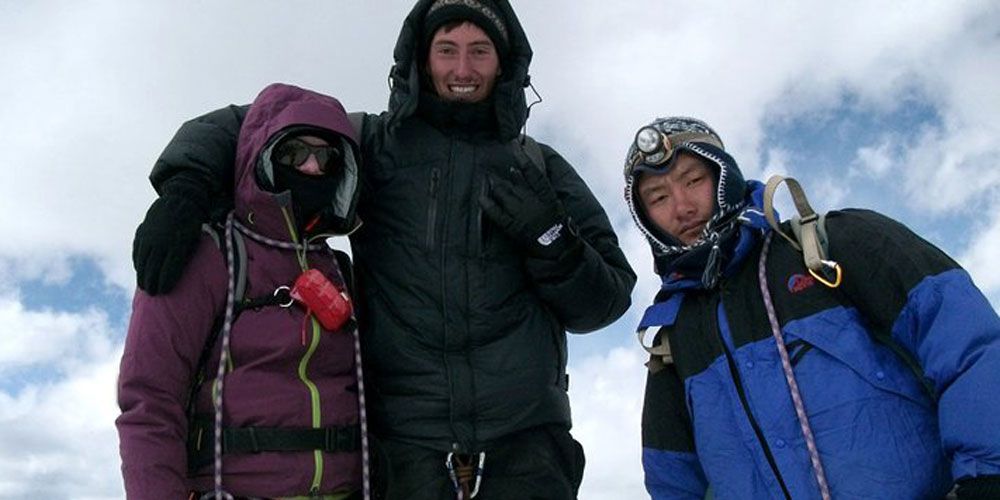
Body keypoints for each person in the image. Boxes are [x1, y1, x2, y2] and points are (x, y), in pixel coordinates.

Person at [130, 1, 637, 498]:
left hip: (528, 450)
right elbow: (258, 123)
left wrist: (550, 236)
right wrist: (187, 187)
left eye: (480, 51)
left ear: (505, 62)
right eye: (447, 49)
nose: (463, 68)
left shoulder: (539, 167)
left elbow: (607, 301)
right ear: (421, 58)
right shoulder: (372, 145)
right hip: (405, 453)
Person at [624, 116, 1000, 499]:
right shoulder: (673, 340)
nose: (682, 207)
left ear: (725, 177)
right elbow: (671, 477)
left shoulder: (837, 244)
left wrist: (988, 477)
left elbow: (970, 346)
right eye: (658, 197)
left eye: (693, 180)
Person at [117, 83, 368, 499]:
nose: (309, 167)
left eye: (325, 157)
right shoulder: (207, 255)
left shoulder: (338, 267)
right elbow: (149, 400)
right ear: (262, 157)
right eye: (292, 152)